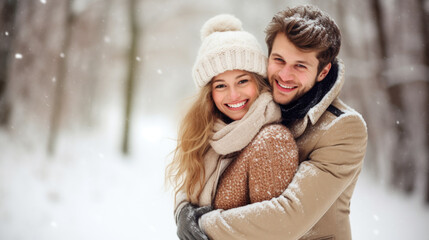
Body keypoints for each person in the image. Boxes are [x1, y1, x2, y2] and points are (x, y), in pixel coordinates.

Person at [177, 5, 368, 240]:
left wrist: (201, 224)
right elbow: (203, 164)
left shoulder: (343, 128)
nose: (284, 75)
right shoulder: (252, 101)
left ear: (323, 71)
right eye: (279, 60)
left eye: (300, 65)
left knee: (273, 141)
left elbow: (288, 217)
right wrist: (183, 210)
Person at [166, 14, 299, 240]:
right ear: (210, 94)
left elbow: (274, 228)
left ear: (258, 82)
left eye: (242, 81)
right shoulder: (210, 133)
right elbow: (190, 184)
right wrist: (182, 212)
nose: (234, 95)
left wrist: (206, 224)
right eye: (221, 85)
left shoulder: (273, 139)